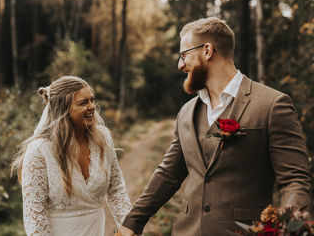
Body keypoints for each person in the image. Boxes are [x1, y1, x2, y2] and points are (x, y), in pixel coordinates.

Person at [119, 17, 313, 236]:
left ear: (208, 51)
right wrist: (133, 221)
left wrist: (292, 226)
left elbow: (294, 180)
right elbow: (168, 174)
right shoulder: (186, 113)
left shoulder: (272, 105)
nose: (180, 65)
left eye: (184, 55)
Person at [11, 76, 131, 235]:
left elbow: (116, 189)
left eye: (92, 100)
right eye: (83, 103)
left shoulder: (103, 138)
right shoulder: (39, 150)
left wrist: (129, 226)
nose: (92, 107)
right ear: (63, 109)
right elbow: (35, 214)